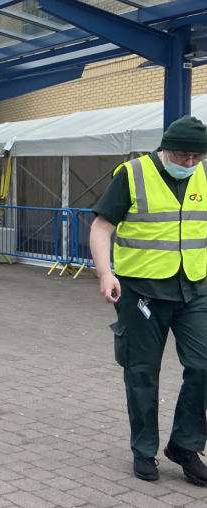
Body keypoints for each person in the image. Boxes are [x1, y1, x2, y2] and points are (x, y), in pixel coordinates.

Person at [89, 115, 207, 485]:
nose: (190, 164)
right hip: (141, 293)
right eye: (184, 156)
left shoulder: (204, 174)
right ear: (165, 148)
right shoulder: (133, 173)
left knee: (204, 366)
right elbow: (101, 227)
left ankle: (186, 445)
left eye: (197, 157)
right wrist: (106, 273)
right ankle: (144, 450)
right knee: (142, 373)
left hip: (194, 288)